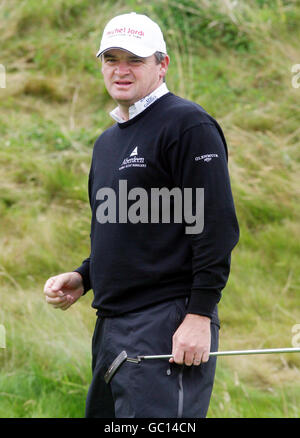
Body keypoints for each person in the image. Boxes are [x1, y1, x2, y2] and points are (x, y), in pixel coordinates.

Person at [44, 12, 239, 418]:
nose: (121, 70)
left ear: (162, 64)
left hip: (167, 321)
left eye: (134, 59)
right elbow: (126, 228)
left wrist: (199, 315)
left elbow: (215, 227)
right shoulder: (107, 143)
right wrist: (86, 276)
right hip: (111, 325)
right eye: (111, 58)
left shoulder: (188, 125)